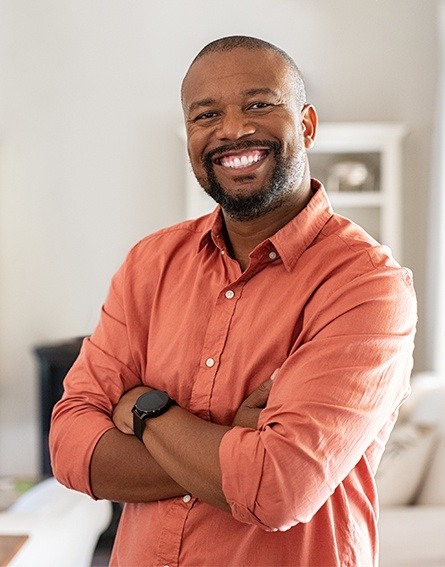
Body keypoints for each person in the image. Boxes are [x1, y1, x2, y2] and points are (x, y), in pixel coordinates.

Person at [50, 35, 417, 566]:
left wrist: (147, 413)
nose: (232, 130)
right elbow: (69, 447)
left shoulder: (366, 285)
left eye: (259, 104)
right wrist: (232, 443)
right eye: (206, 115)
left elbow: (279, 487)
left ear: (307, 124)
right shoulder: (150, 264)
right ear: (189, 139)